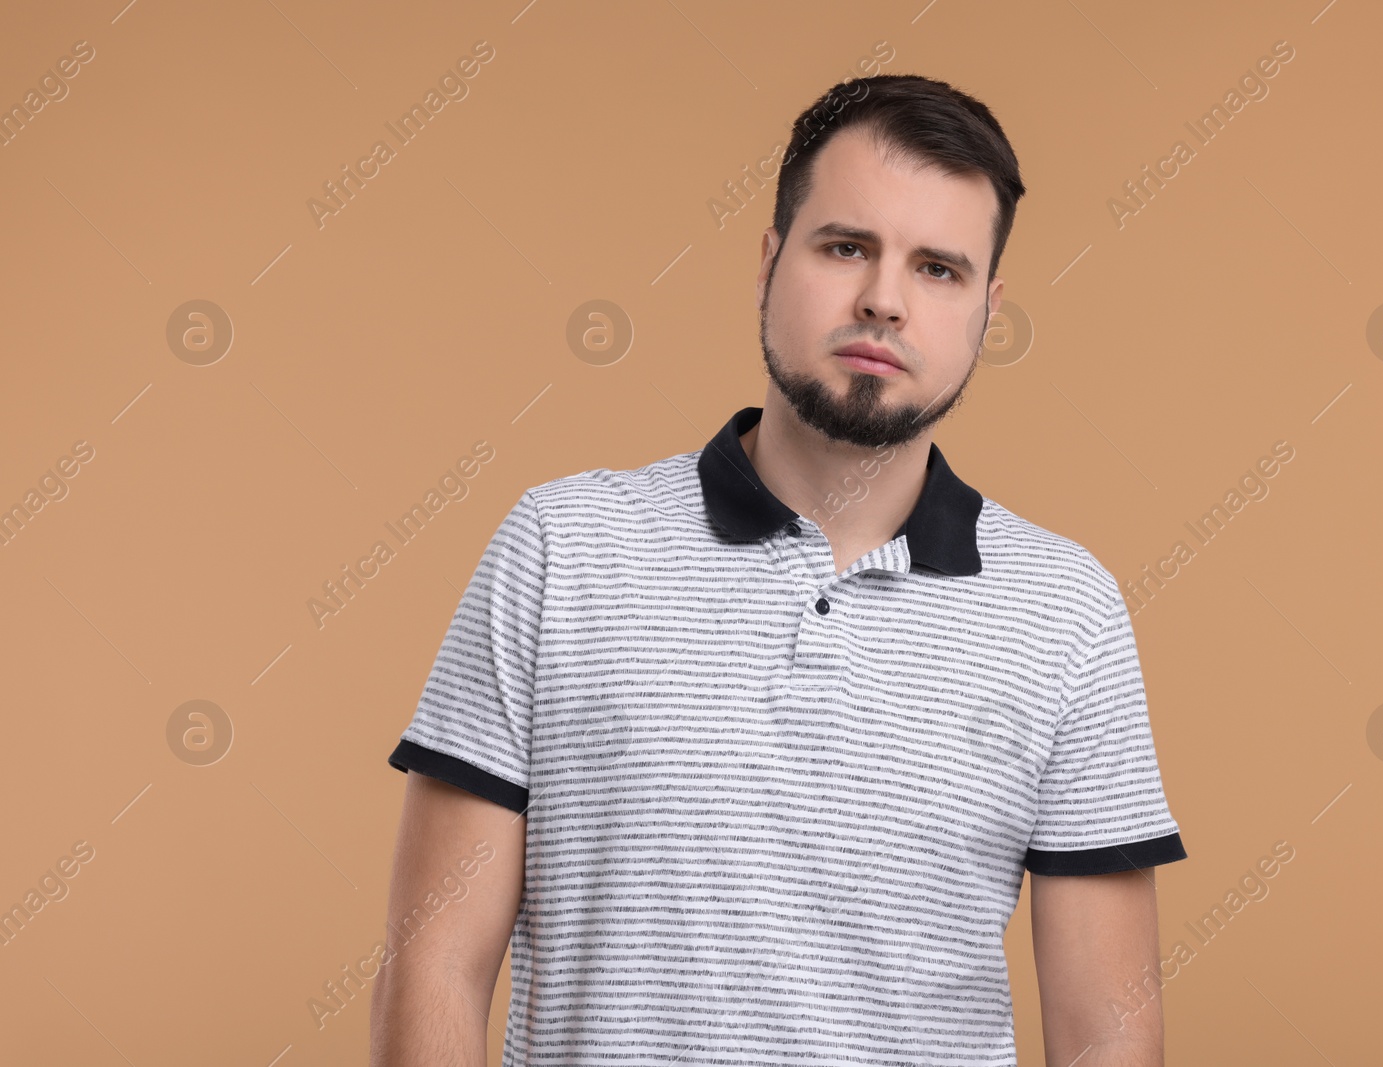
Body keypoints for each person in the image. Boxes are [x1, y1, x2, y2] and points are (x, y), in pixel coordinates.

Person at [371, 73, 1187, 1067]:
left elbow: (1106, 1034)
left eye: (938, 269)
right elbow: (435, 965)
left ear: (986, 308)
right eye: (846, 246)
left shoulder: (1065, 611)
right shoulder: (564, 547)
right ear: (768, 262)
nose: (883, 299)